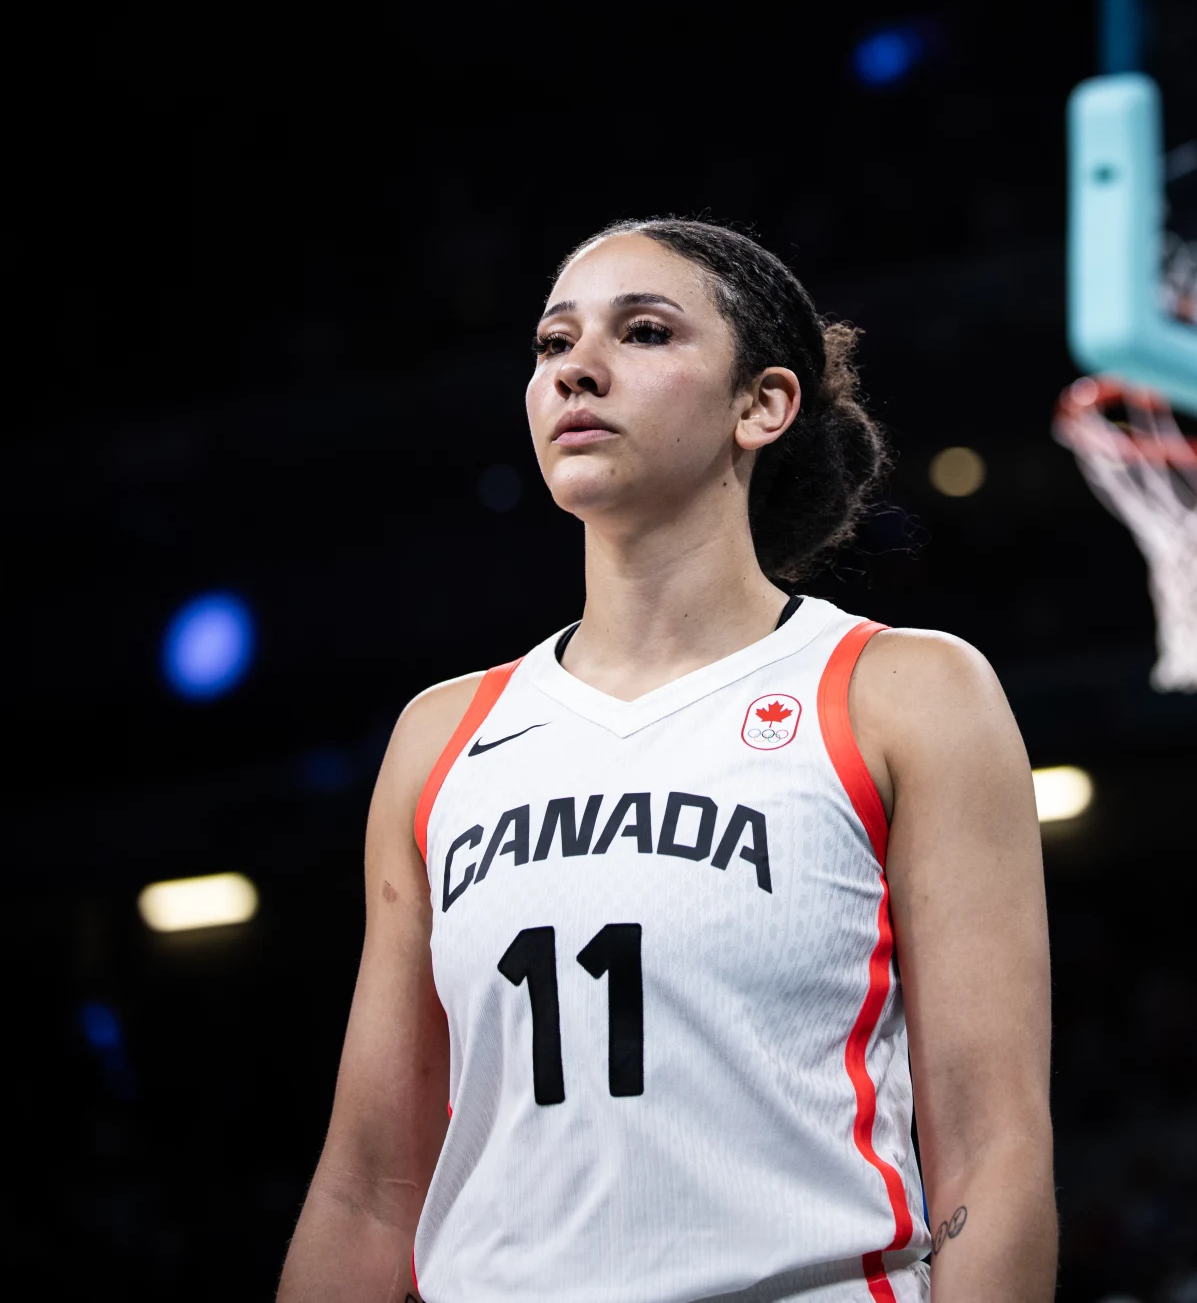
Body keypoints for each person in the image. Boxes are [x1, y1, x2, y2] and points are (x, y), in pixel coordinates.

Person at [277, 219, 1056, 1302]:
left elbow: (995, 1156)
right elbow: (367, 1188)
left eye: (642, 332)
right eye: (553, 345)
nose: (576, 369)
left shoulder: (903, 693)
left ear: (761, 406)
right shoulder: (439, 735)